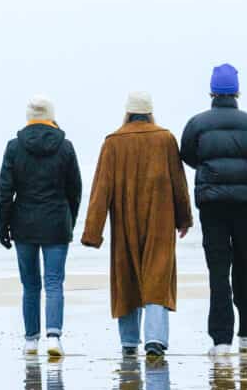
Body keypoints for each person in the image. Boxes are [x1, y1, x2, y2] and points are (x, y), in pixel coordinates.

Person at [81, 91, 193, 358]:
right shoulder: (165, 139)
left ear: (128, 112)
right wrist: (184, 218)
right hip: (160, 219)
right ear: (150, 111)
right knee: (157, 275)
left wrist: (92, 233)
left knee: (126, 276)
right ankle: (154, 340)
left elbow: (101, 190)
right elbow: (179, 182)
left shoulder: (113, 143)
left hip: (124, 221)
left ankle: (130, 342)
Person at [181, 63, 247, 356]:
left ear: (212, 91)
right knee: (245, 268)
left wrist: (209, 169)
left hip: (212, 205)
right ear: (237, 91)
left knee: (218, 270)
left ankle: (221, 340)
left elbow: (188, 154)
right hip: (246, 207)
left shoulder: (197, 123)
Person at [0, 95, 82, 357]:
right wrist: (70, 219)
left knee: (31, 285)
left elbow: (5, 192)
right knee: (54, 282)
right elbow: (75, 189)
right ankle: (54, 337)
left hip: (24, 223)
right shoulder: (65, 147)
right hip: (56, 222)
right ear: (51, 115)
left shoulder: (14, 147)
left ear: (29, 117)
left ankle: (31, 340)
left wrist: (3, 227)